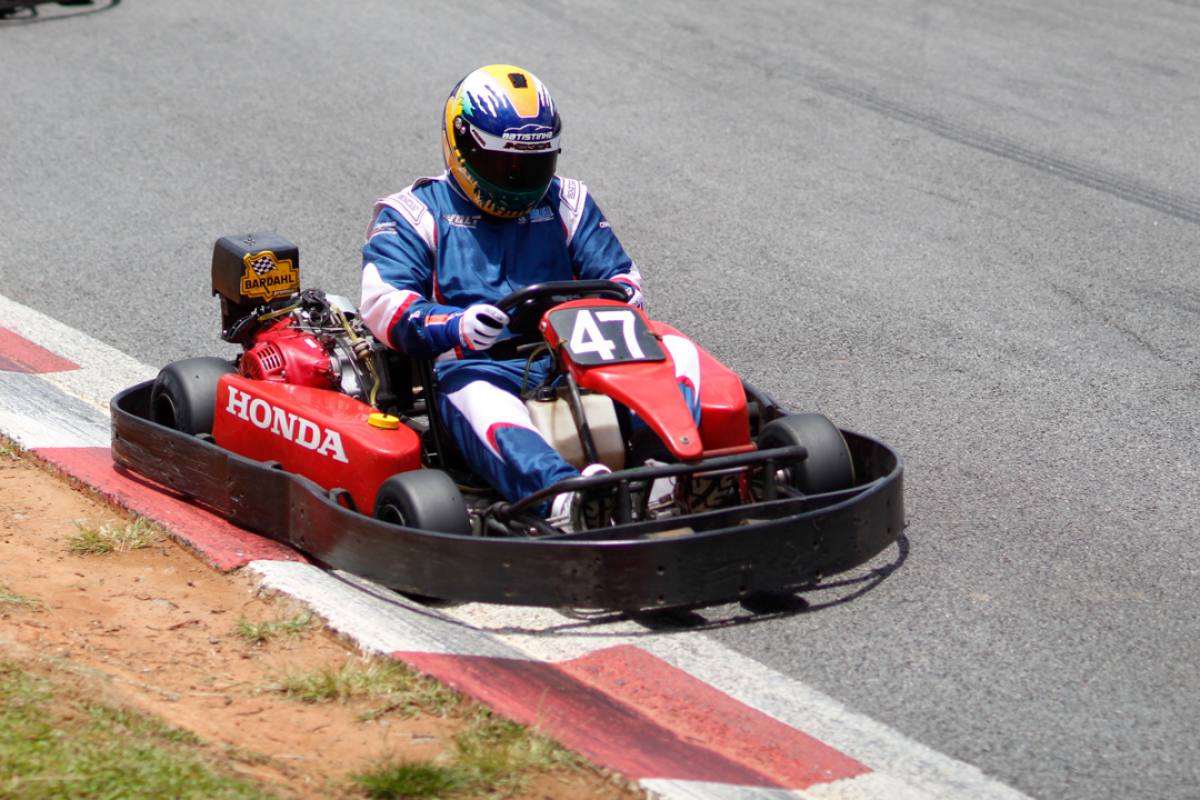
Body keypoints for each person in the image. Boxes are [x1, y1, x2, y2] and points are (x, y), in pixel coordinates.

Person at [360, 64, 698, 525]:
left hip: (579, 357)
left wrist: (601, 303)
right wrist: (455, 324)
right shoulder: (415, 213)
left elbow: (623, 280)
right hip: (480, 367)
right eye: (507, 164)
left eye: (535, 164)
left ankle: (665, 477)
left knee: (677, 347)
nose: (520, 179)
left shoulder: (566, 200)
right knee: (478, 397)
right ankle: (565, 499)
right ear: (464, 146)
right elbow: (385, 305)